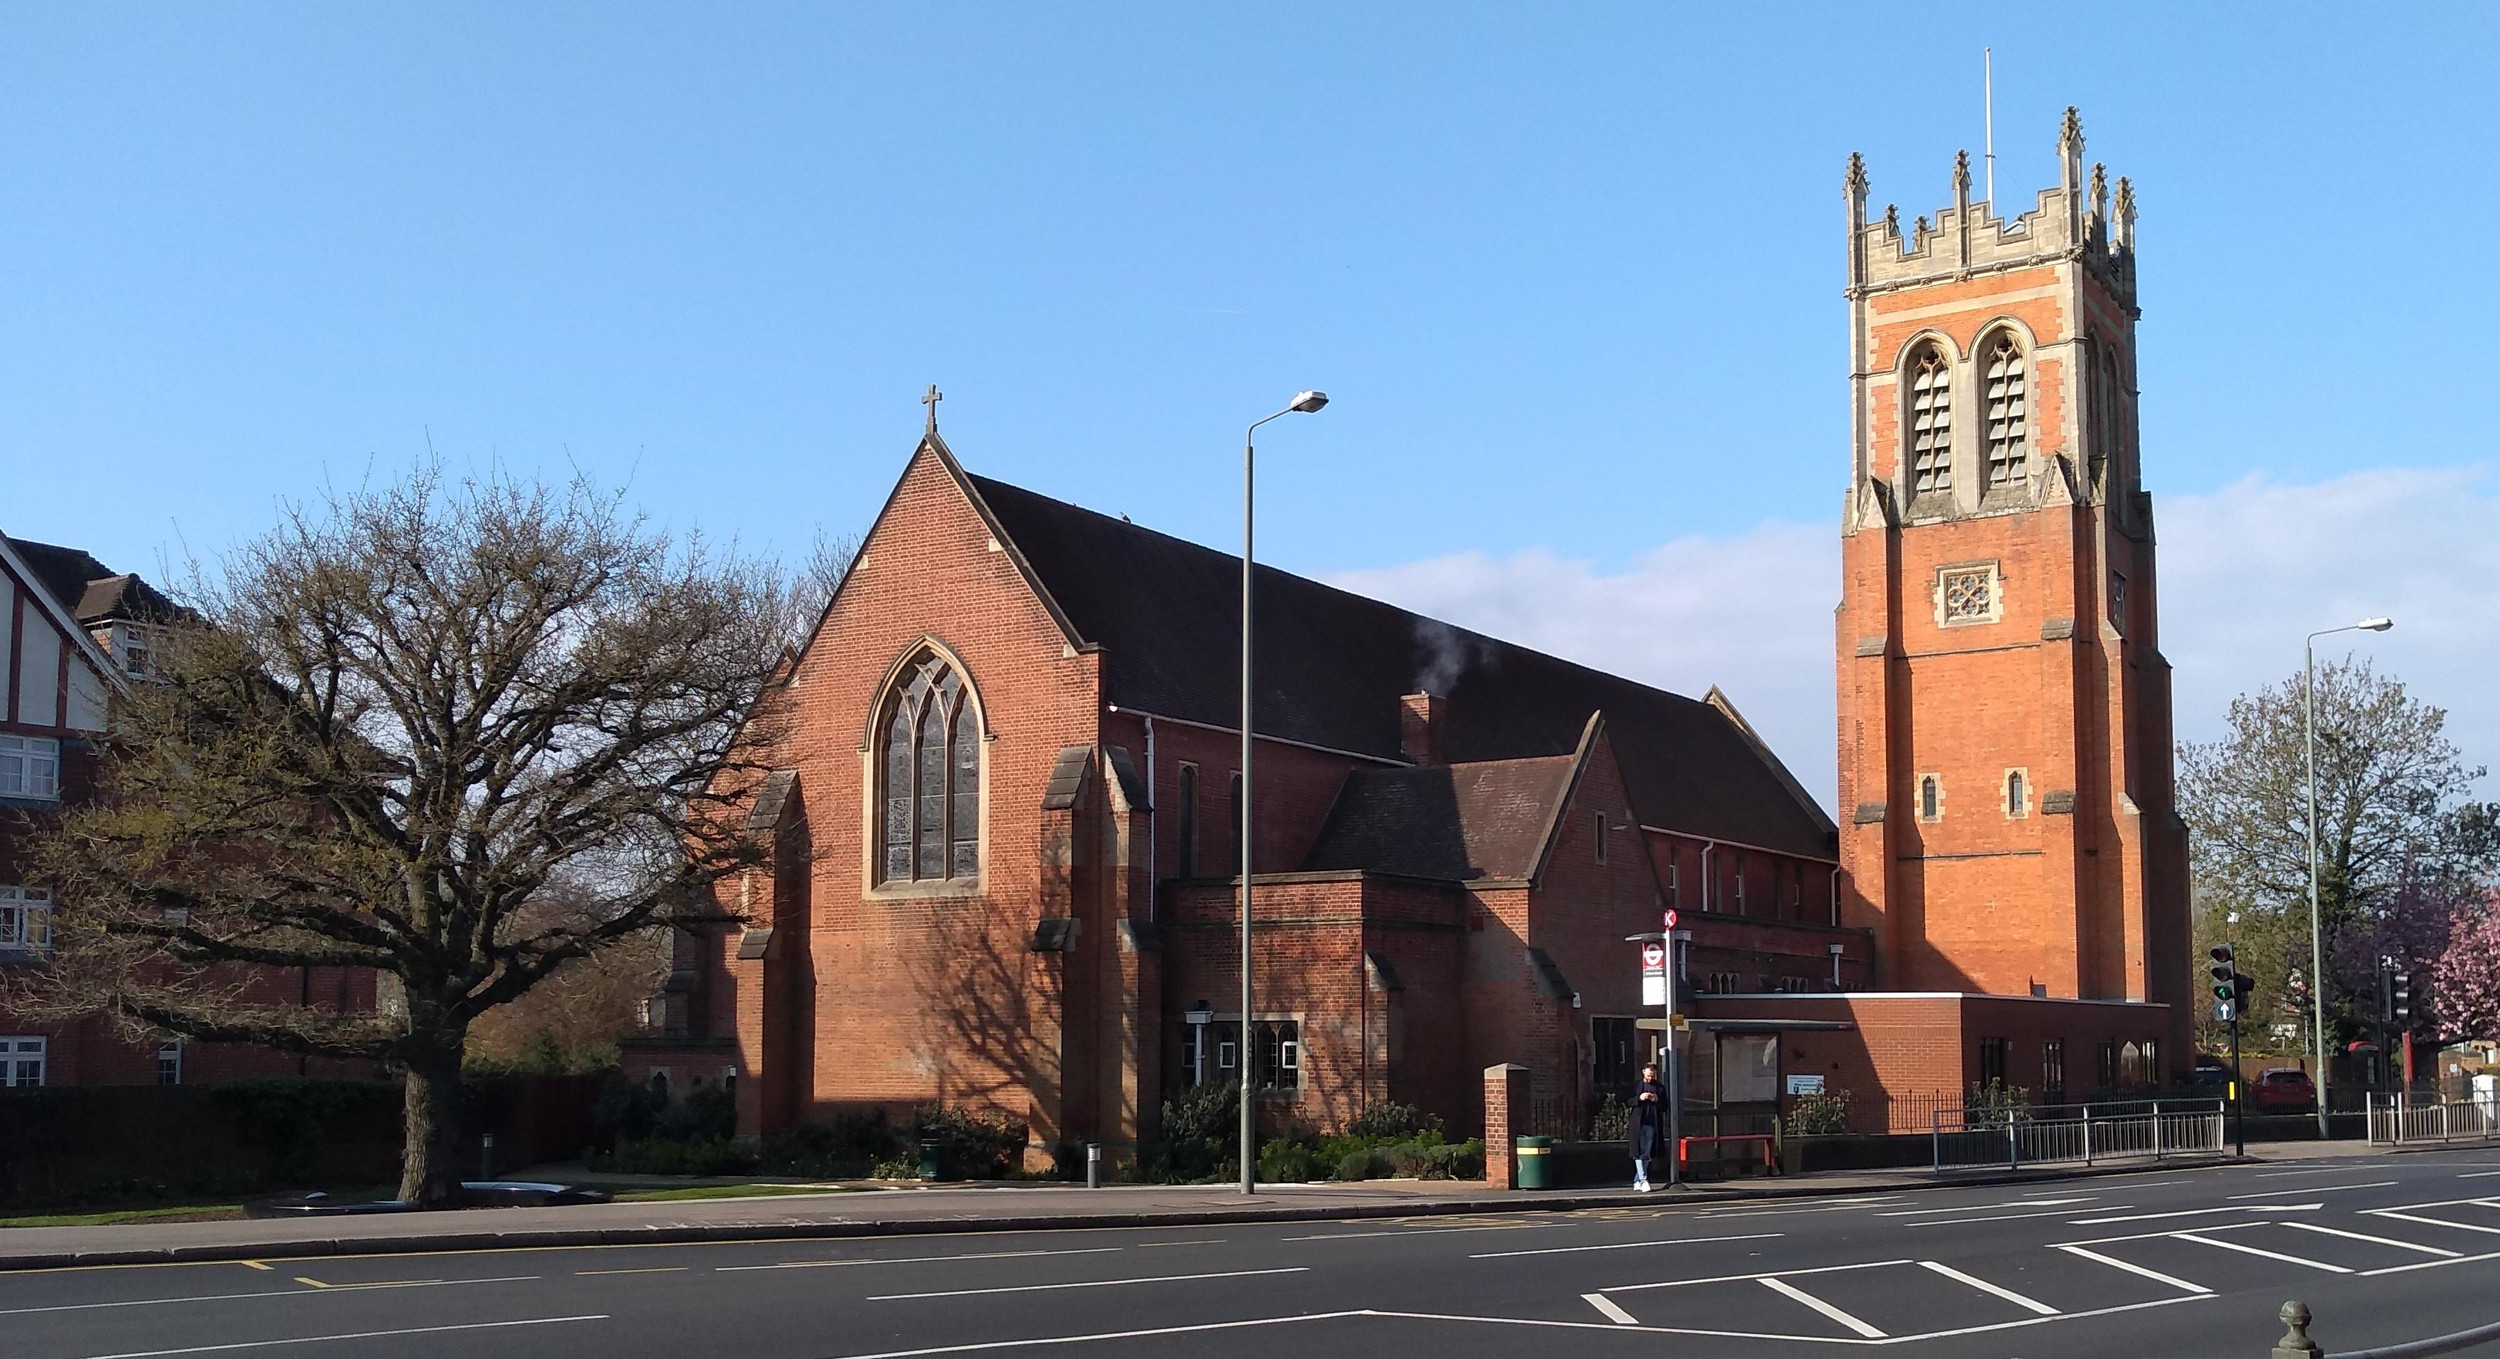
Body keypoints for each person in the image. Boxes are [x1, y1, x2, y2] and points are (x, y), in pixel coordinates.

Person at [1629, 1061, 1667, 1191]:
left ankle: (1637, 1179)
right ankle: (1644, 1179)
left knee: (1647, 1153)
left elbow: (1665, 1106)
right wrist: (1639, 1098)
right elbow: (1628, 1101)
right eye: (1649, 1074)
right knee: (1639, 1151)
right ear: (1643, 1071)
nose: (1650, 1078)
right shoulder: (1636, 1086)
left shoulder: (1660, 1088)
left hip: (1652, 1123)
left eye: (1653, 1075)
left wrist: (1656, 1100)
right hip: (1638, 1123)